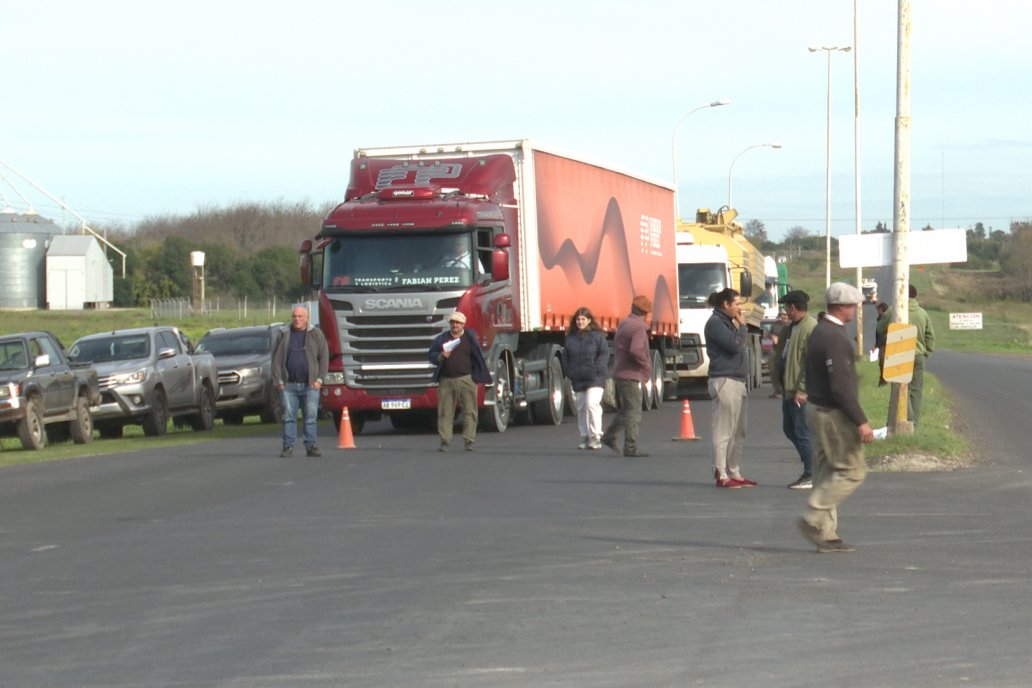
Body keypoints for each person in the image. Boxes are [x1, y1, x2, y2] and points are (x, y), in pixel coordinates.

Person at [797, 282, 875, 553]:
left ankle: (826, 534)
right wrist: (860, 421)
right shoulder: (835, 338)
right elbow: (841, 387)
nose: (856, 309)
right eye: (854, 305)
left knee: (825, 471)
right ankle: (813, 516)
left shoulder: (820, 331)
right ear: (842, 306)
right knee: (853, 471)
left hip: (815, 407)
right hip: (832, 413)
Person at [704, 288, 756, 488]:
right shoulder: (716, 323)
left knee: (738, 431)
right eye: (736, 304)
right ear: (725, 304)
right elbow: (733, 345)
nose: (739, 308)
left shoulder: (727, 322)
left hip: (738, 380)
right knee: (723, 429)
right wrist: (742, 327)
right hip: (724, 380)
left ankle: (734, 470)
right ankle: (721, 472)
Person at [429, 310, 491, 452]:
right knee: (445, 412)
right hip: (446, 380)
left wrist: (477, 377)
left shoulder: (470, 339)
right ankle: (445, 441)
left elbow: (478, 357)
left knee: (470, 411)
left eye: (458, 323)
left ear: (463, 324)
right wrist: (440, 356)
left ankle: (469, 440)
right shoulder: (442, 339)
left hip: (466, 379)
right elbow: (431, 355)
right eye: (452, 322)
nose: (455, 325)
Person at [272, 305, 329, 458]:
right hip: (288, 385)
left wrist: (319, 379)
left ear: (306, 317)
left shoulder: (316, 334)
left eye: (300, 316)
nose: (297, 319)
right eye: (294, 316)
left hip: (310, 384)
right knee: (289, 417)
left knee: (310, 416)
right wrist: (278, 381)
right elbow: (275, 359)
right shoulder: (283, 333)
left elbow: (324, 357)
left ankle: (311, 446)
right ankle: (287, 447)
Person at [875, 285, 935, 426]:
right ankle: (914, 425)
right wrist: (926, 352)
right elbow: (930, 336)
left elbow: (879, 328)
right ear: (915, 296)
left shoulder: (893, 311)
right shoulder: (923, 313)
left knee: (900, 388)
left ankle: (906, 421)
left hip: (900, 354)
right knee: (916, 391)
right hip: (919, 355)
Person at [600, 295, 652, 458]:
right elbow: (636, 350)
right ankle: (630, 446)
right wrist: (645, 364)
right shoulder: (638, 327)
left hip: (621, 372)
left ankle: (609, 435)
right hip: (631, 374)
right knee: (634, 411)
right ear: (646, 312)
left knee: (626, 409)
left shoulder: (625, 323)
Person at [779, 290, 818, 490]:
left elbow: (810, 363)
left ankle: (811, 473)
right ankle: (813, 466)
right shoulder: (792, 328)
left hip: (800, 391)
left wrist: (803, 389)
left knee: (802, 432)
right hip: (789, 388)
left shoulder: (810, 328)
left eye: (786, 307)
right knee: (790, 429)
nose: (785, 311)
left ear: (793, 308)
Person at [561, 307, 610, 450]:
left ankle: (595, 437)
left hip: (595, 378)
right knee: (581, 407)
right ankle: (584, 436)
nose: (580, 322)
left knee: (591, 404)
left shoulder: (597, 336)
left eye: (583, 319)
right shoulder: (570, 338)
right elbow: (565, 357)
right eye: (578, 319)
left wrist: (598, 369)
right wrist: (569, 372)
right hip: (578, 378)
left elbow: (604, 353)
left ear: (589, 320)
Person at [768, 309, 790, 398]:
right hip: (777, 350)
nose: (784, 317)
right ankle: (778, 390)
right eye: (782, 315)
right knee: (774, 370)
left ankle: (783, 390)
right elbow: (772, 336)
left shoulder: (790, 325)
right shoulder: (776, 324)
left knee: (782, 371)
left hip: (784, 351)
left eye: (785, 315)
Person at [874, 301, 889, 386]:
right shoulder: (880, 320)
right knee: (881, 363)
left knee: (883, 362)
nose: (877, 312)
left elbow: (882, 335)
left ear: (882, 310)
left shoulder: (885, 321)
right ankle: (883, 380)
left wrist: (878, 345)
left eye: (878, 310)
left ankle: (883, 380)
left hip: (884, 345)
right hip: (881, 345)